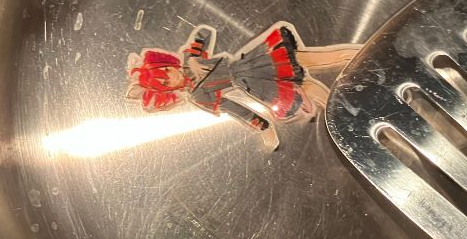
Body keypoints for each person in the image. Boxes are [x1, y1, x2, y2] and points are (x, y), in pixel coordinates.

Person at [127, 22, 361, 150]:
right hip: (255, 85)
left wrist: (194, 57)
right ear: (168, 92)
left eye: (166, 71)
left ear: (167, 64)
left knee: (316, 59)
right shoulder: (199, 96)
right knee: (312, 91)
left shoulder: (190, 59)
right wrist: (264, 129)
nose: (172, 75)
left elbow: (204, 31)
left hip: (255, 62)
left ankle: (365, 53)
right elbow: (235, 109)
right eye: (166, 82)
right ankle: (352, 115)